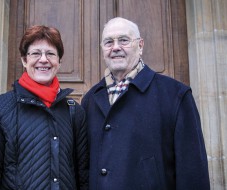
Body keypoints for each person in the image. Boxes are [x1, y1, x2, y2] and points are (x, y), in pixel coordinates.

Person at [81, 17, 210, 190]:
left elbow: (192, 170)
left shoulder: (175, 95)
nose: (116, 47)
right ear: (102, 49)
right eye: (108, 42)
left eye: (124, 40)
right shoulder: (90, 99)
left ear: (140, 45)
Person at [0, 25, 89, 189]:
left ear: (59, 62)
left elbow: (83, 176)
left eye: (51, 54)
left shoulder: (74, 111)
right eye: (36, 53)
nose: (44, 59)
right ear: (24, 60)